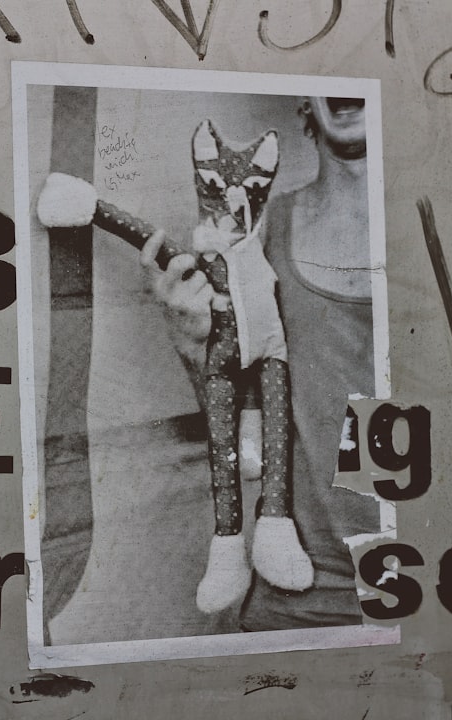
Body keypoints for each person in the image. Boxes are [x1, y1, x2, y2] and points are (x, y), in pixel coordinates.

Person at [139, 96, 380, 630]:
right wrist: (192, 343)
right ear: (307, 103)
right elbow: (241, 433)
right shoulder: (262, 231)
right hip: (305, 597)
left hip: (445, 583)